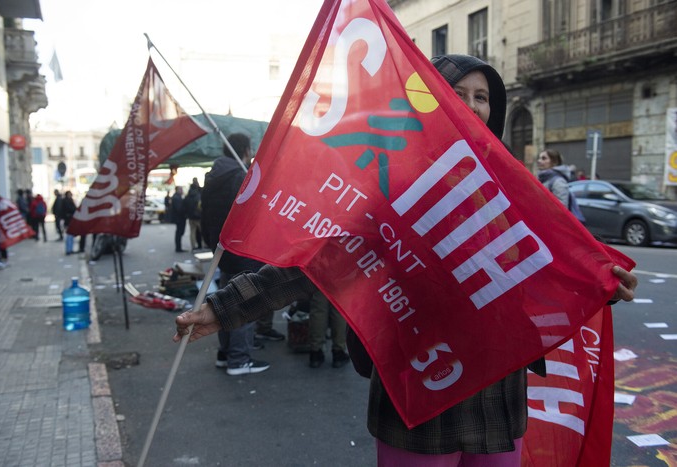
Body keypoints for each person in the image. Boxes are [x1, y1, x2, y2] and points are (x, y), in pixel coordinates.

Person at [175, 55, 639, 465]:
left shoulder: (515, 192)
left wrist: (602, 282)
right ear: (428, 102)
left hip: (499, 395)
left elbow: (554, 268)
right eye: (456, 93)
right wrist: (225, 308)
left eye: (482, 97)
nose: (473, 105)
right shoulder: (391, 190)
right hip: (423, 390)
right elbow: (318, 264)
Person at [201, 132, 270, 375]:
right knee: (245, 304)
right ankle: (239, 359)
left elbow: (205, 215)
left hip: (223, 250)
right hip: (242, 252)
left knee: (225, 302)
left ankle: (226, 353)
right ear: (246, 150)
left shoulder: (214, 176)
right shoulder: (240, 177)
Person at [307, 290, 350, 369]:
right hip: (339, 278)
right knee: (339, 308)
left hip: (320, 277)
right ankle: (338, 352)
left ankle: (315, 351)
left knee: (318, 308)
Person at [182, 182, 203, 251]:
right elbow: (200, 206)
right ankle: (204, 244)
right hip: (198, 217)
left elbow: (184, 206)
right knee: (202, 231)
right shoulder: (198, 195)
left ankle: (193, 245)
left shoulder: (187, 196)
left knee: (192, 232)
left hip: (190, 217)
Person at [169, 186, 187, 252]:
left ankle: (178, 247)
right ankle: (178, 248)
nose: (182, 190)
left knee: (179, 233)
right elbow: (179, 209)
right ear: (177, 190)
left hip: (179, 218)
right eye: (181, 189)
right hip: (179, 218)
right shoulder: (176, 197)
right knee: (179, 233)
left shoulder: (177, 196)